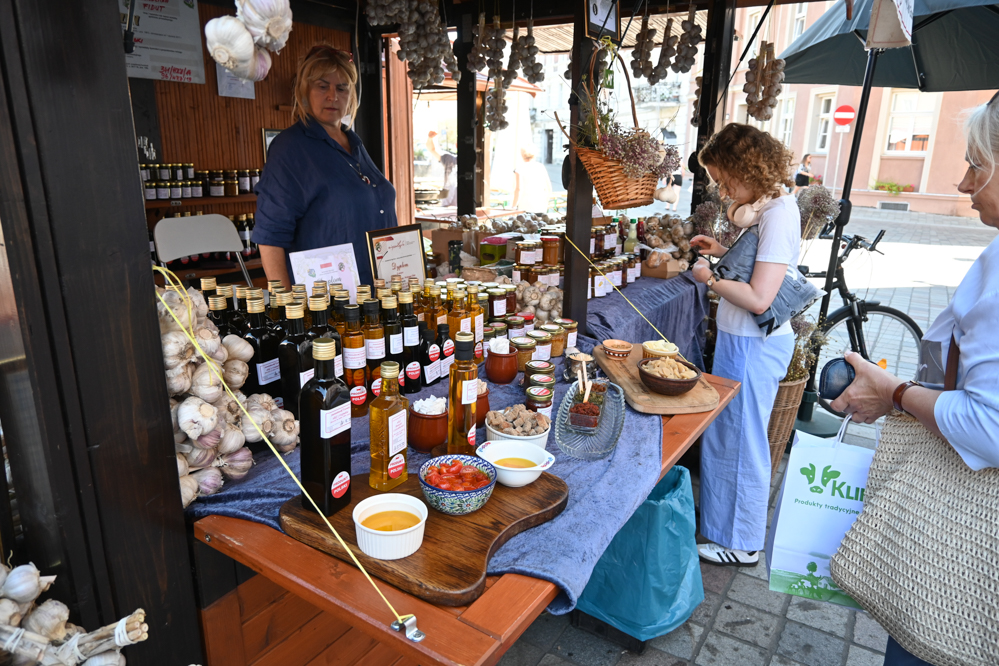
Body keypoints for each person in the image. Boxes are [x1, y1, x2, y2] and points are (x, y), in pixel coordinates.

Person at [829, 97, 999, 666]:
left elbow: (988, 423)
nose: (963, 181)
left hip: (962, 546)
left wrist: (894, 392)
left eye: (978, 164)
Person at [688, 124, 800, 566]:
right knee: (728, 437)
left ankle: (742, 542)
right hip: (743, 341)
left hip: (755, 343)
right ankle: (721, 528)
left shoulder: (779, 213)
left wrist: (710, 279)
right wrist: (721, 250)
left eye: (723, 178)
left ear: (744, 167)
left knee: (743, 441)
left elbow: (758, 296)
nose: (722, 187)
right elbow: (753, 267)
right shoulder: (766, 208)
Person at [252, 45, 396, 288]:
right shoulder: (290, 148)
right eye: (322, 86)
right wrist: (289, 308)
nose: (333, 96)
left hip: (377, 293)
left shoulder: (354, 143)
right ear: (305, 91)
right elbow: (270, 236)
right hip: (328, 302)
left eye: (342, 87)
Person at [512, 145, 552, 213]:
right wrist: (546, 201)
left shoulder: (520, 169)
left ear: (522, 154)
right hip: (540, 205)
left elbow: (518, 189)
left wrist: (513, 206)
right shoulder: (541, 167)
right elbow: (548, 187)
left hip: (525, 205)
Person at [425, 130, 457, 207]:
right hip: (447, 203)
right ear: (456, 144)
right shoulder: (449, 159)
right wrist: (430, 138)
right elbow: (432, 150)